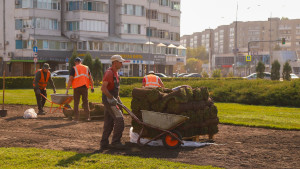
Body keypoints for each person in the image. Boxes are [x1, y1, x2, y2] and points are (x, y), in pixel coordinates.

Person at [100, 55, 125, 149]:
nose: (121, 64)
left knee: (109, 121)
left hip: (113, 99)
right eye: (120, 62)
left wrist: (119, 100)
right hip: (108, 100)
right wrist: (111, 98)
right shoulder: (109, 73)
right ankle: (115, 142)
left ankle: (104, 143)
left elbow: (115, 90)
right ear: (115, 63)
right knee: (120, 120)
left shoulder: (116, 73)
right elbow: (103, 88)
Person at [66, 57, 94, 122]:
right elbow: (90, 78)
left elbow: (70, 79)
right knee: (85, 102)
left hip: (77, 88)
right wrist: (92, 87)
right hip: (85, 87)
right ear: (81, 62)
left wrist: (67, 89)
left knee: (76, 103)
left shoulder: (74, 68)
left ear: (75, 62)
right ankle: (87, 117)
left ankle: (76, 119)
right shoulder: (86, 68)